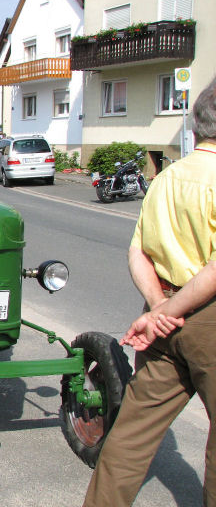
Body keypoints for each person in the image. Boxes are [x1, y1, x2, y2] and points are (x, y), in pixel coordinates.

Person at [83, 77, 216, 506]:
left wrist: (158, 308)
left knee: (131, 435)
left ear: (196, 126)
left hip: (162, 319)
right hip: (207, 318)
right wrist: (169, 308)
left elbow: (138, 250)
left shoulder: (165, 178)